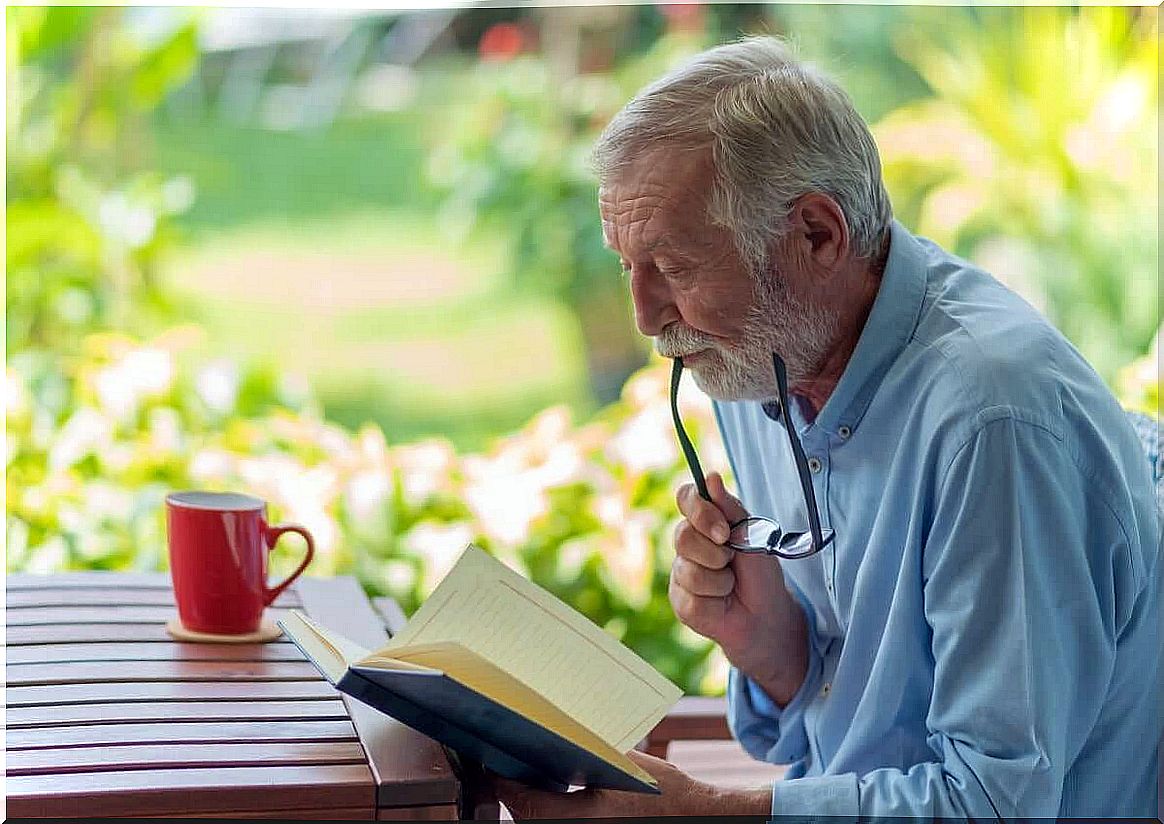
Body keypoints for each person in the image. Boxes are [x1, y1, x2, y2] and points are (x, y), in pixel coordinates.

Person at [494, 36, 1161, 819]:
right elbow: (852, 734)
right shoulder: (762, 354)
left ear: (817, 235)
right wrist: (778, 652)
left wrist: (700, 814)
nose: (645, 318)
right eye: (626, 265)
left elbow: (999, 803)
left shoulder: (993, 423)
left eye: (672, 267)